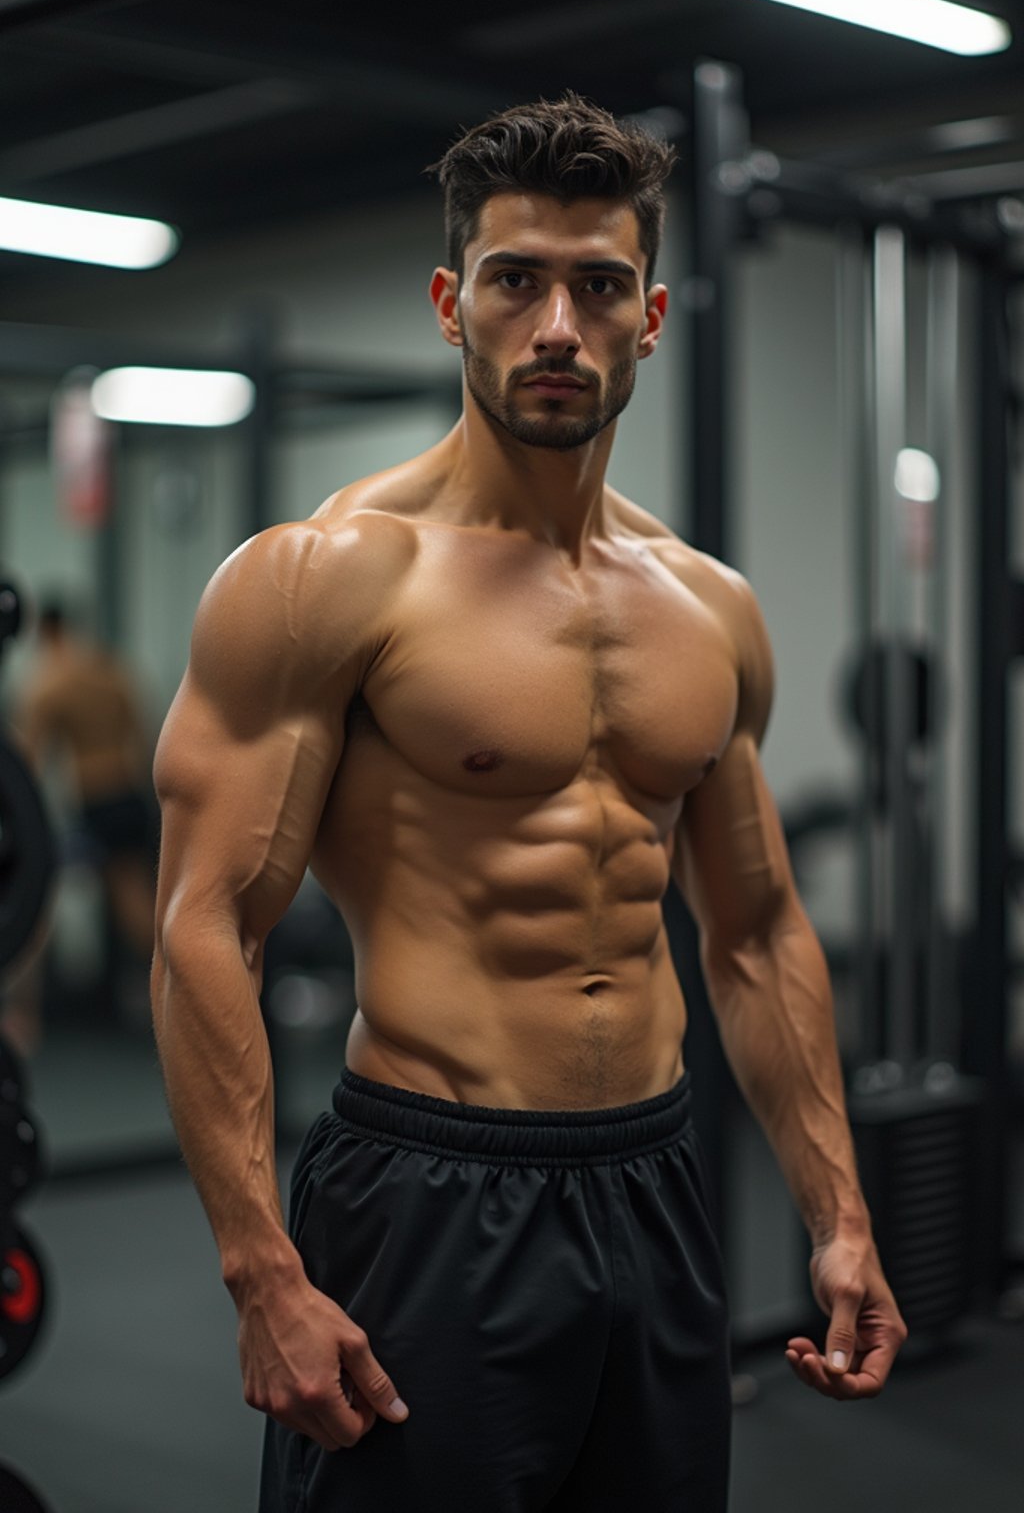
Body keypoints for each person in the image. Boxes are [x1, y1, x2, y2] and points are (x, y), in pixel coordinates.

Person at [151, 94, 907, 1512]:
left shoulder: (710, 608)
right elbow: (208, 924)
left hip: (656, 1179)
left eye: (598, 285)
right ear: (453, 302)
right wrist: (262, 1268)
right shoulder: (328, 580)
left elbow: (754, 935)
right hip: (430, 1190)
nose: (557, 325)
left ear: (652, 315)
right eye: (516, 281)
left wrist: (841, 1219)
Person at [7, 600, 155, 1046]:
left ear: (45, 633)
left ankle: (22, 1016)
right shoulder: (112, 672)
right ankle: (176, 1000)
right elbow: (144, 738)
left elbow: (24, 766)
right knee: (137, 905)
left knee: (35, 904)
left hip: (95, 804)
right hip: (129, 797)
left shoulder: (51, 681)